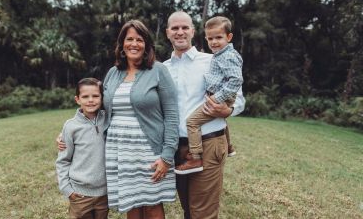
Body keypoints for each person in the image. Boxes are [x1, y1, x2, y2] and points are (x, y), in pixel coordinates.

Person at [59, 20, 180, 219]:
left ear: (147, 44)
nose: (134, 44)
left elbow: (172, 115)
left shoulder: (158, 71)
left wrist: (167, 156)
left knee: (152, 205)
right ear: (122, 44)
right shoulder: (113, 74)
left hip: (150, 152)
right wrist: (68, 129)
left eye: (139, 39)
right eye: (129, 39)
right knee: (131, 204)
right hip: (120, 152)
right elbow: (97, 108)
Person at [164, 11, 245, 219]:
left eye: (185, 27)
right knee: (188, 210)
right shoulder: (162, 69)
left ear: (192, 31)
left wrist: (228, 110)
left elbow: (240, 97)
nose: (180, 32)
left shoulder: (212, 60)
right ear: (167, 33)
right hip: (177, 148)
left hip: (208, 145)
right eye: (175, 28)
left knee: (203, 213)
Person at [175, 16, 243, 175]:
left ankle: (195, 157)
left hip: (219, 96)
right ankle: (229, 146)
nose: (214, 42)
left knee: (192, 122)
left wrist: (217, 98)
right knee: (221, 119)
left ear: (229, 37)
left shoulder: (227, 56)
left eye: (219, 37)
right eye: (210, 38)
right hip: (219, 94)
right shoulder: (220, 54)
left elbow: (236, 80)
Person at [56, 77, 109, 219]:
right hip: (79, 194)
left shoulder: (108, 119)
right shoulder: (71, 126)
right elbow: (63, 160)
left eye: (95, 96)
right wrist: (67, 189)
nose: (90, 100)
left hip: (104, 192)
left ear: (102, 98)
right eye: (85, 96)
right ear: (77, 99)